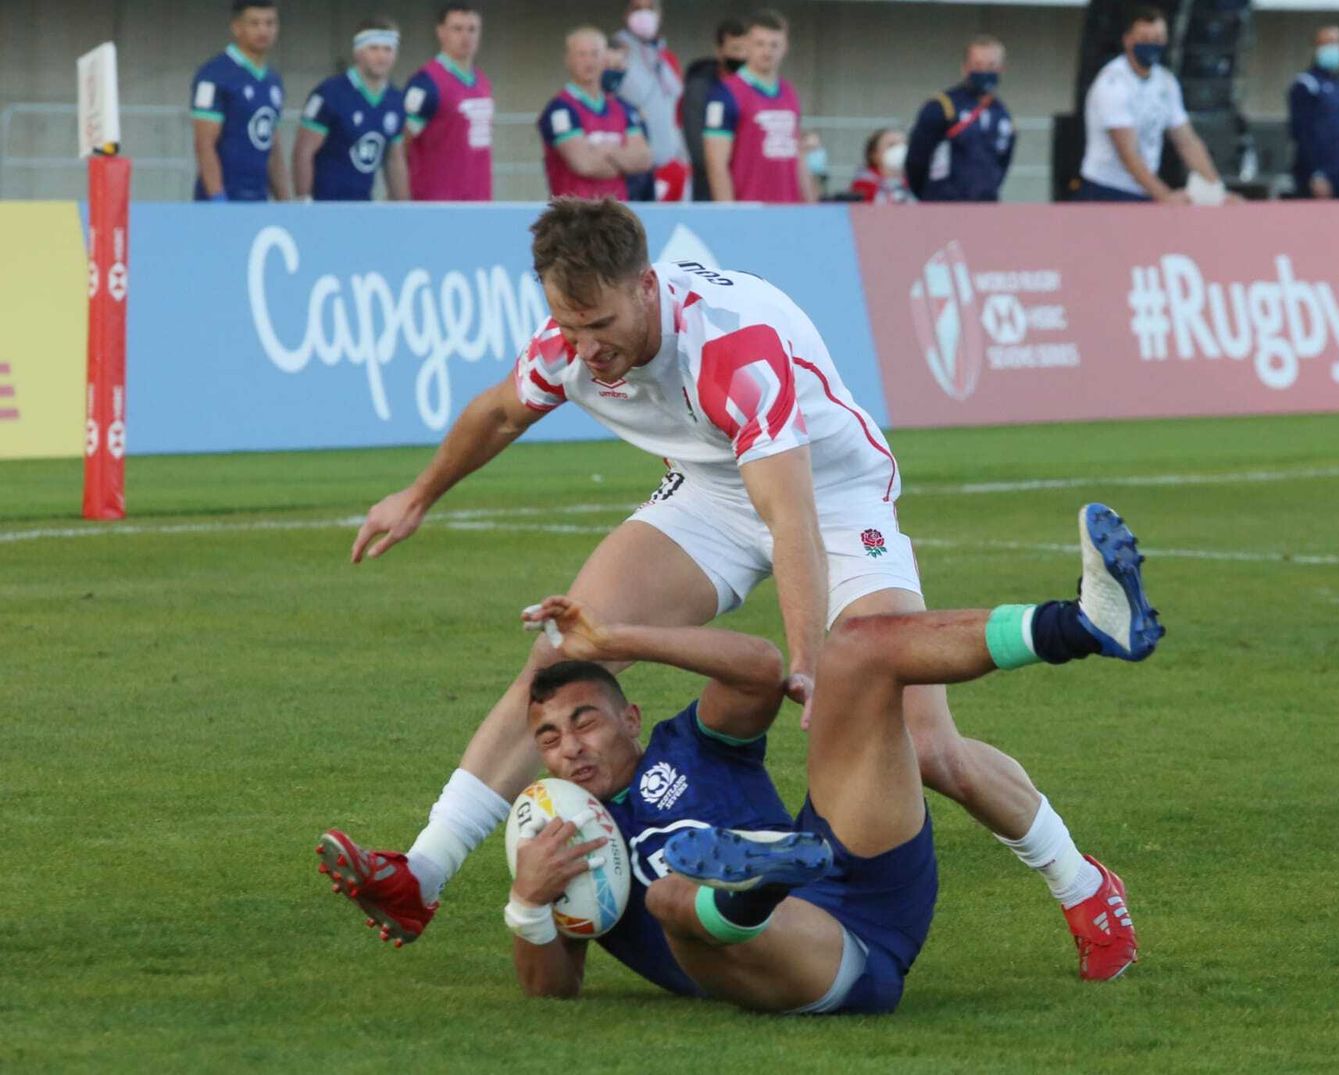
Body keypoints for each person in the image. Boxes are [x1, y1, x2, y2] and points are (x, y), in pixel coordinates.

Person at [319, 198, 1157, 983]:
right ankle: (420, 873)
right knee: (563, 650)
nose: (588, 348)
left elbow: (789, 516)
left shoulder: (732, 347)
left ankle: (1083, 882)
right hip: (711, 492)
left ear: (646, 286)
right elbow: (499, 413)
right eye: (571, 326)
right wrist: (419, 494)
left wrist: (808, 663)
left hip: (828, 495)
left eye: (603, 324)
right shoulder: (568, 344)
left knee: (928, 746)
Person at [497, 507, 1158, 1011]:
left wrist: (614, 635)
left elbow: (759, 667)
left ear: (628, 718)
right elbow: (552, 989)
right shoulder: (562, 832)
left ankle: (1082, 623)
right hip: (816, 960)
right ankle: (756, 886)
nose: (571, 745)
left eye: (584, 720)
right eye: (550, 737)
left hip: (858, 878)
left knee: (858, 648)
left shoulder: (688, 743)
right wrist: (529, 900)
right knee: (672, 896)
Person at [1077, 6, 1229, 203]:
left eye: (1158, 39)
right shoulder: (1112, 83)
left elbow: (1187, 141)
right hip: (1107, 190)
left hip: (1143, 191)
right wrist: (1164, 197)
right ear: (1128, 40)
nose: (1152, 45)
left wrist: (1216, 189)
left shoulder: (1165, 82)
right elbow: (1128, 154)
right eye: (1145, 38)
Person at [293, 18, 410, 202]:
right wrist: (303, 200)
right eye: (374, 48)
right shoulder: (330, 93)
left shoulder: (395, 100)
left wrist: (403, 207)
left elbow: (394, 159)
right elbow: (304, 151)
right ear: (358, 52)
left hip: (363, 207)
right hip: (325, 205)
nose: (382, 56)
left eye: (388, 49)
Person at [703, 9, 812, 204]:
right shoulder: (725, 93)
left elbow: (798, 157)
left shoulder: (789, 93)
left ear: (785, 47)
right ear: (747, 45)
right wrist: (729, 215)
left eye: (774, 44)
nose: (767, 51)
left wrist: (811, 205)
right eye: (760, 44)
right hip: (749, 211)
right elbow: (716, 164)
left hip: (789, 210)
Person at [189, 0, 289, 202]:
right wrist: (218, 198)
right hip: (223, 200)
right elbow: (204, 144)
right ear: (237, 27)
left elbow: (273, 146)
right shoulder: (213, 75)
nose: (263, 30)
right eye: (255, 23)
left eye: (270, 23)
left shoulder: (273, 80)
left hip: (259, 199)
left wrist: (284, 201)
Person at [538, 28, 651, 201]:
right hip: (574, 216)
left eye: (595, 54)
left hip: (616, 215)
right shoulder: (561, 109)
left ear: (604, 59)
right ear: (568, 60)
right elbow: (584, 164)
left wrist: (608, 152)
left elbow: (643, 160)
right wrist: (623, 162)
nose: (589, 61)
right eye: (581, 54)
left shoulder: (622, 108)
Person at [904, 35, 1014, 203]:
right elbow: (916, 160)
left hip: (985, 205)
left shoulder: (1003, 115)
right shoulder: (942, 106)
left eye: (991, 65)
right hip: (943, 203)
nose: (984, 71)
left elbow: (1002, 163)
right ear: (965, 68)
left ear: (1001, 69)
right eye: (978, 65)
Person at [404, 3, 494, 202]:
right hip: (437, 201)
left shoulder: (481, 81)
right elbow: (402, 141)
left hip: (480, 199)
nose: (466, 36)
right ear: (441, 32)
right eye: (457, 29)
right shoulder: (426, 83)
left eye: (472, 29)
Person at [1287, 26, 1339, 200]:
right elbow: (1301, 132)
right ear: (1316, 48)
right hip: (1314, 174)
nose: (1334, 47)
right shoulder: (1306, 84)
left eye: (1337, 42)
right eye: (1327, 43)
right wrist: (1315, 174)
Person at [613, 0, 685, 203]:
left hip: (671, 164)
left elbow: (676, 113)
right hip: (635, 168)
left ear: (659, 15)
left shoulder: (666, 59)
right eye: (637, 9)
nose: (644, 14)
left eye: (650, 9)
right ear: (626, 14)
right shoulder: (616, 55)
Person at [680, 18, 747, 203]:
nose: (741, 56)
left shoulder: (752, 90)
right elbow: (698, 149)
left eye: (745, 50)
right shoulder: (700, 88)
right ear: (720, 51)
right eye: (735, 49)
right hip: (708, 191)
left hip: (746, 189)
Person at [851, 128, 913, 203]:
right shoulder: (863, 186)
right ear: (874, 154)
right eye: (892, 145)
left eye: (904, 144)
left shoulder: (916, 184)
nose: (900, 149)